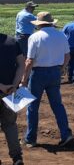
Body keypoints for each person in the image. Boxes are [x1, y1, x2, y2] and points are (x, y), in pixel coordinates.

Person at [20, 12, 74, 148]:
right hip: (55, 72)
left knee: (33, 107)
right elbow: (67, 56)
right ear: (50, 23)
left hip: (38, 74)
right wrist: (61, 69)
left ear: (39, 24)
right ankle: (66, 134)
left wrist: (24, 80)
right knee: (57, 105)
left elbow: (29, 61)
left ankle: (30, 138)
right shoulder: (61, 35)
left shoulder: (35, 37)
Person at [0, 33, 25, 165]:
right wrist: (14, 86)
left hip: (5, 89)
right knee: (10, 125)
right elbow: (21, 64)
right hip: (11, 92)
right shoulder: (12, 41)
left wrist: (2, 86)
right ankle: (17, 158)